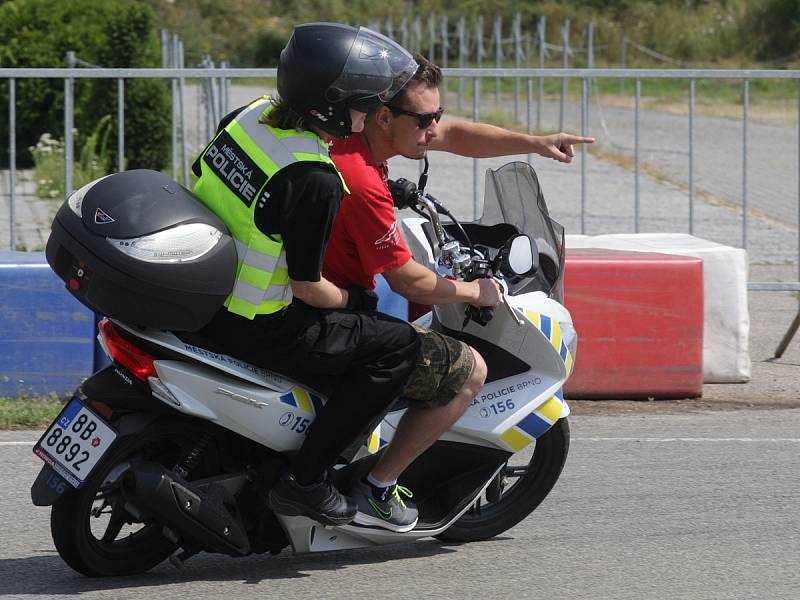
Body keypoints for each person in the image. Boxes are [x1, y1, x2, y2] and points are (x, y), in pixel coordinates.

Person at [325, 53, 594, 530]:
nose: (435, 128)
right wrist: (473, 292)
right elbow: (406, 280)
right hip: (337, 308)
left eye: (437, 115)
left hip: (325, 295)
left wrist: (535, 143)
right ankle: (376, 488)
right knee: (467, 371)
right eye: (425, 119)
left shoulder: (354, 139)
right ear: (386, 116)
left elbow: (456, 135)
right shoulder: (363, 178)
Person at [189, 23, 422, 529]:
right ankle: (306, 479)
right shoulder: (313, 176)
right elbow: (308, 287)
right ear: (332, 107)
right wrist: (358, 300)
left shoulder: (248, 117)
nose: (368, 113)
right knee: (397, 344)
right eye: (363, 103)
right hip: (258, 321)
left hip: (206, 294)